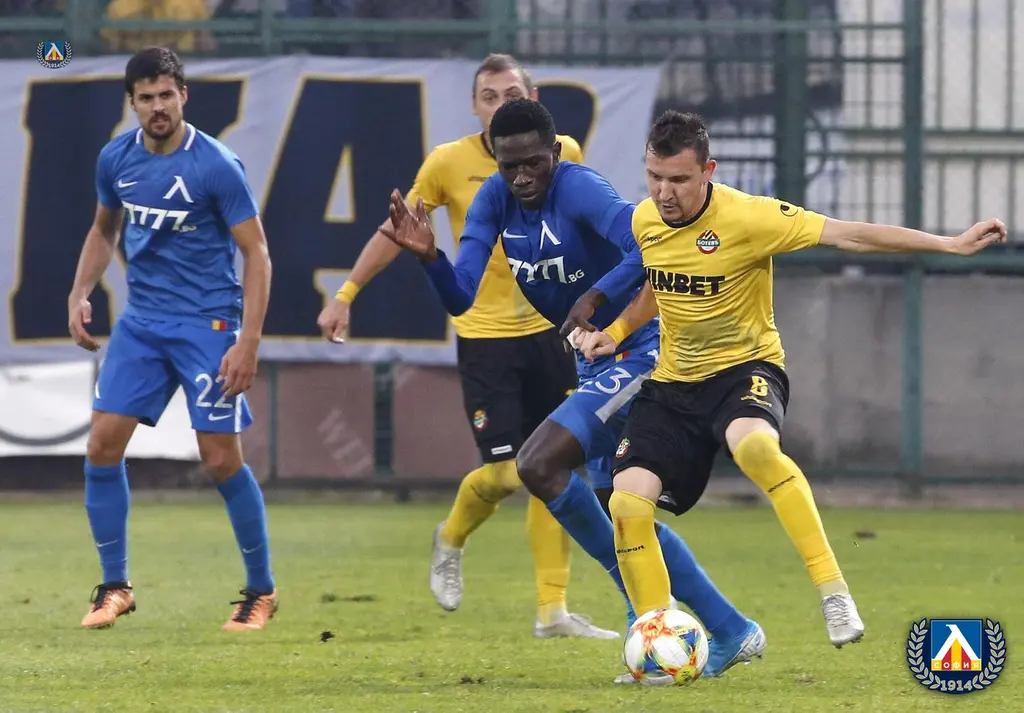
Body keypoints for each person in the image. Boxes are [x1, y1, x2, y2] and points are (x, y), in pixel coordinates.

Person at [570, 110, 1007, 648]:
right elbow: (661, 286)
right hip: (675, 381)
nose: (664, 192)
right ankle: (658, 641)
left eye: (679, 179)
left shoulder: (751, 217)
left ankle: (833, 591)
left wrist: (949, 244)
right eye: (655, 177)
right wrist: (615, 331)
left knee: (755, 448)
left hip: (745, 369)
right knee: (626, 503)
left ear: (708, 171)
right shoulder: (645, 220)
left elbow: (850, 235)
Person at [380, 97, 765, 683]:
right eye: (509, 165)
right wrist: (431, 257)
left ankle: (647, 614)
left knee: (538, 463)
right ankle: (730, 629)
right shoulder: (493, 200)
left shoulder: (580, 189)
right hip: (592, 361)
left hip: (644, 347)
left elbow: (649, 247)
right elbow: (461, 297)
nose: (521, 176)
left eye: (532, 162)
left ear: (555, 153)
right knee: (621, 514)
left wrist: (595, 299)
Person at [316, 54, 616, 640]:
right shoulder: (448, 163)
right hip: (485, 340)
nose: (500, 104)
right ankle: (451, 535)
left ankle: (552, 611)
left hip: (550, 331)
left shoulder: (566, 155)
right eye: (489, 96)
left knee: (556, 466)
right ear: (475, 106)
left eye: (511, 93)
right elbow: (399, 230)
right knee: (506, 473)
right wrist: (346, 293)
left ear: (533, 101)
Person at [68, 47, 277, 631]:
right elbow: (103, 229)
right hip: (142, 323)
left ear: (184, 96)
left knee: (220, 459)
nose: (157, 106)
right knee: (101, 447)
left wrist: (248, 341)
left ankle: (261, 591)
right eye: (146, 98)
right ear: (132, 103)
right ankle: (115, 587)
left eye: (166, 95)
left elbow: (257, 253)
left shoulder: (216, 165)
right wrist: (80, 290)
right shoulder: (116, 159)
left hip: (208, 326)